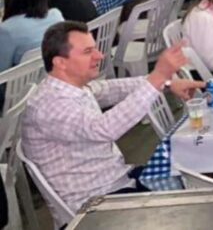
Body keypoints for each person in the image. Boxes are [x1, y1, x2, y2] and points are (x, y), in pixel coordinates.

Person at [21, 22, 203, 225]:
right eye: (88, 51)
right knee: (189, 202)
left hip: (117, 182)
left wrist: (166, 83)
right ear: (60, 62)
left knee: (189, 170)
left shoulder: (71, 88)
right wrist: (158, 77)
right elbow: (103, 129)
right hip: (93, 206)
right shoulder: (49, 105)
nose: (99, 56)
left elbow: (111, 89)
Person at [0, 0, 62, 71]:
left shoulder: (7, 29)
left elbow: (2, 70)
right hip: (52, 75)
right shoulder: (56, 15)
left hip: (19, 84)